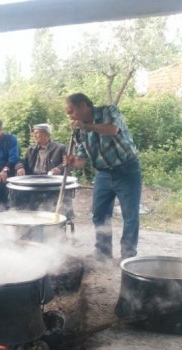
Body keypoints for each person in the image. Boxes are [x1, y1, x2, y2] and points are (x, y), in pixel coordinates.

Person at [64, 92, 142, 260]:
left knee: (130, 216)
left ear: (84, 105)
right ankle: (103, 252)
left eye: (71, 111)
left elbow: (113, 129)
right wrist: (72, 161)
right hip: (103, 174)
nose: (70, 116)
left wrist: (86, 126)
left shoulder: (109, 111)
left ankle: (128, 255)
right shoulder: (80, 130)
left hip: (127, 171)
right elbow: (82, 160)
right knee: (99, 214)